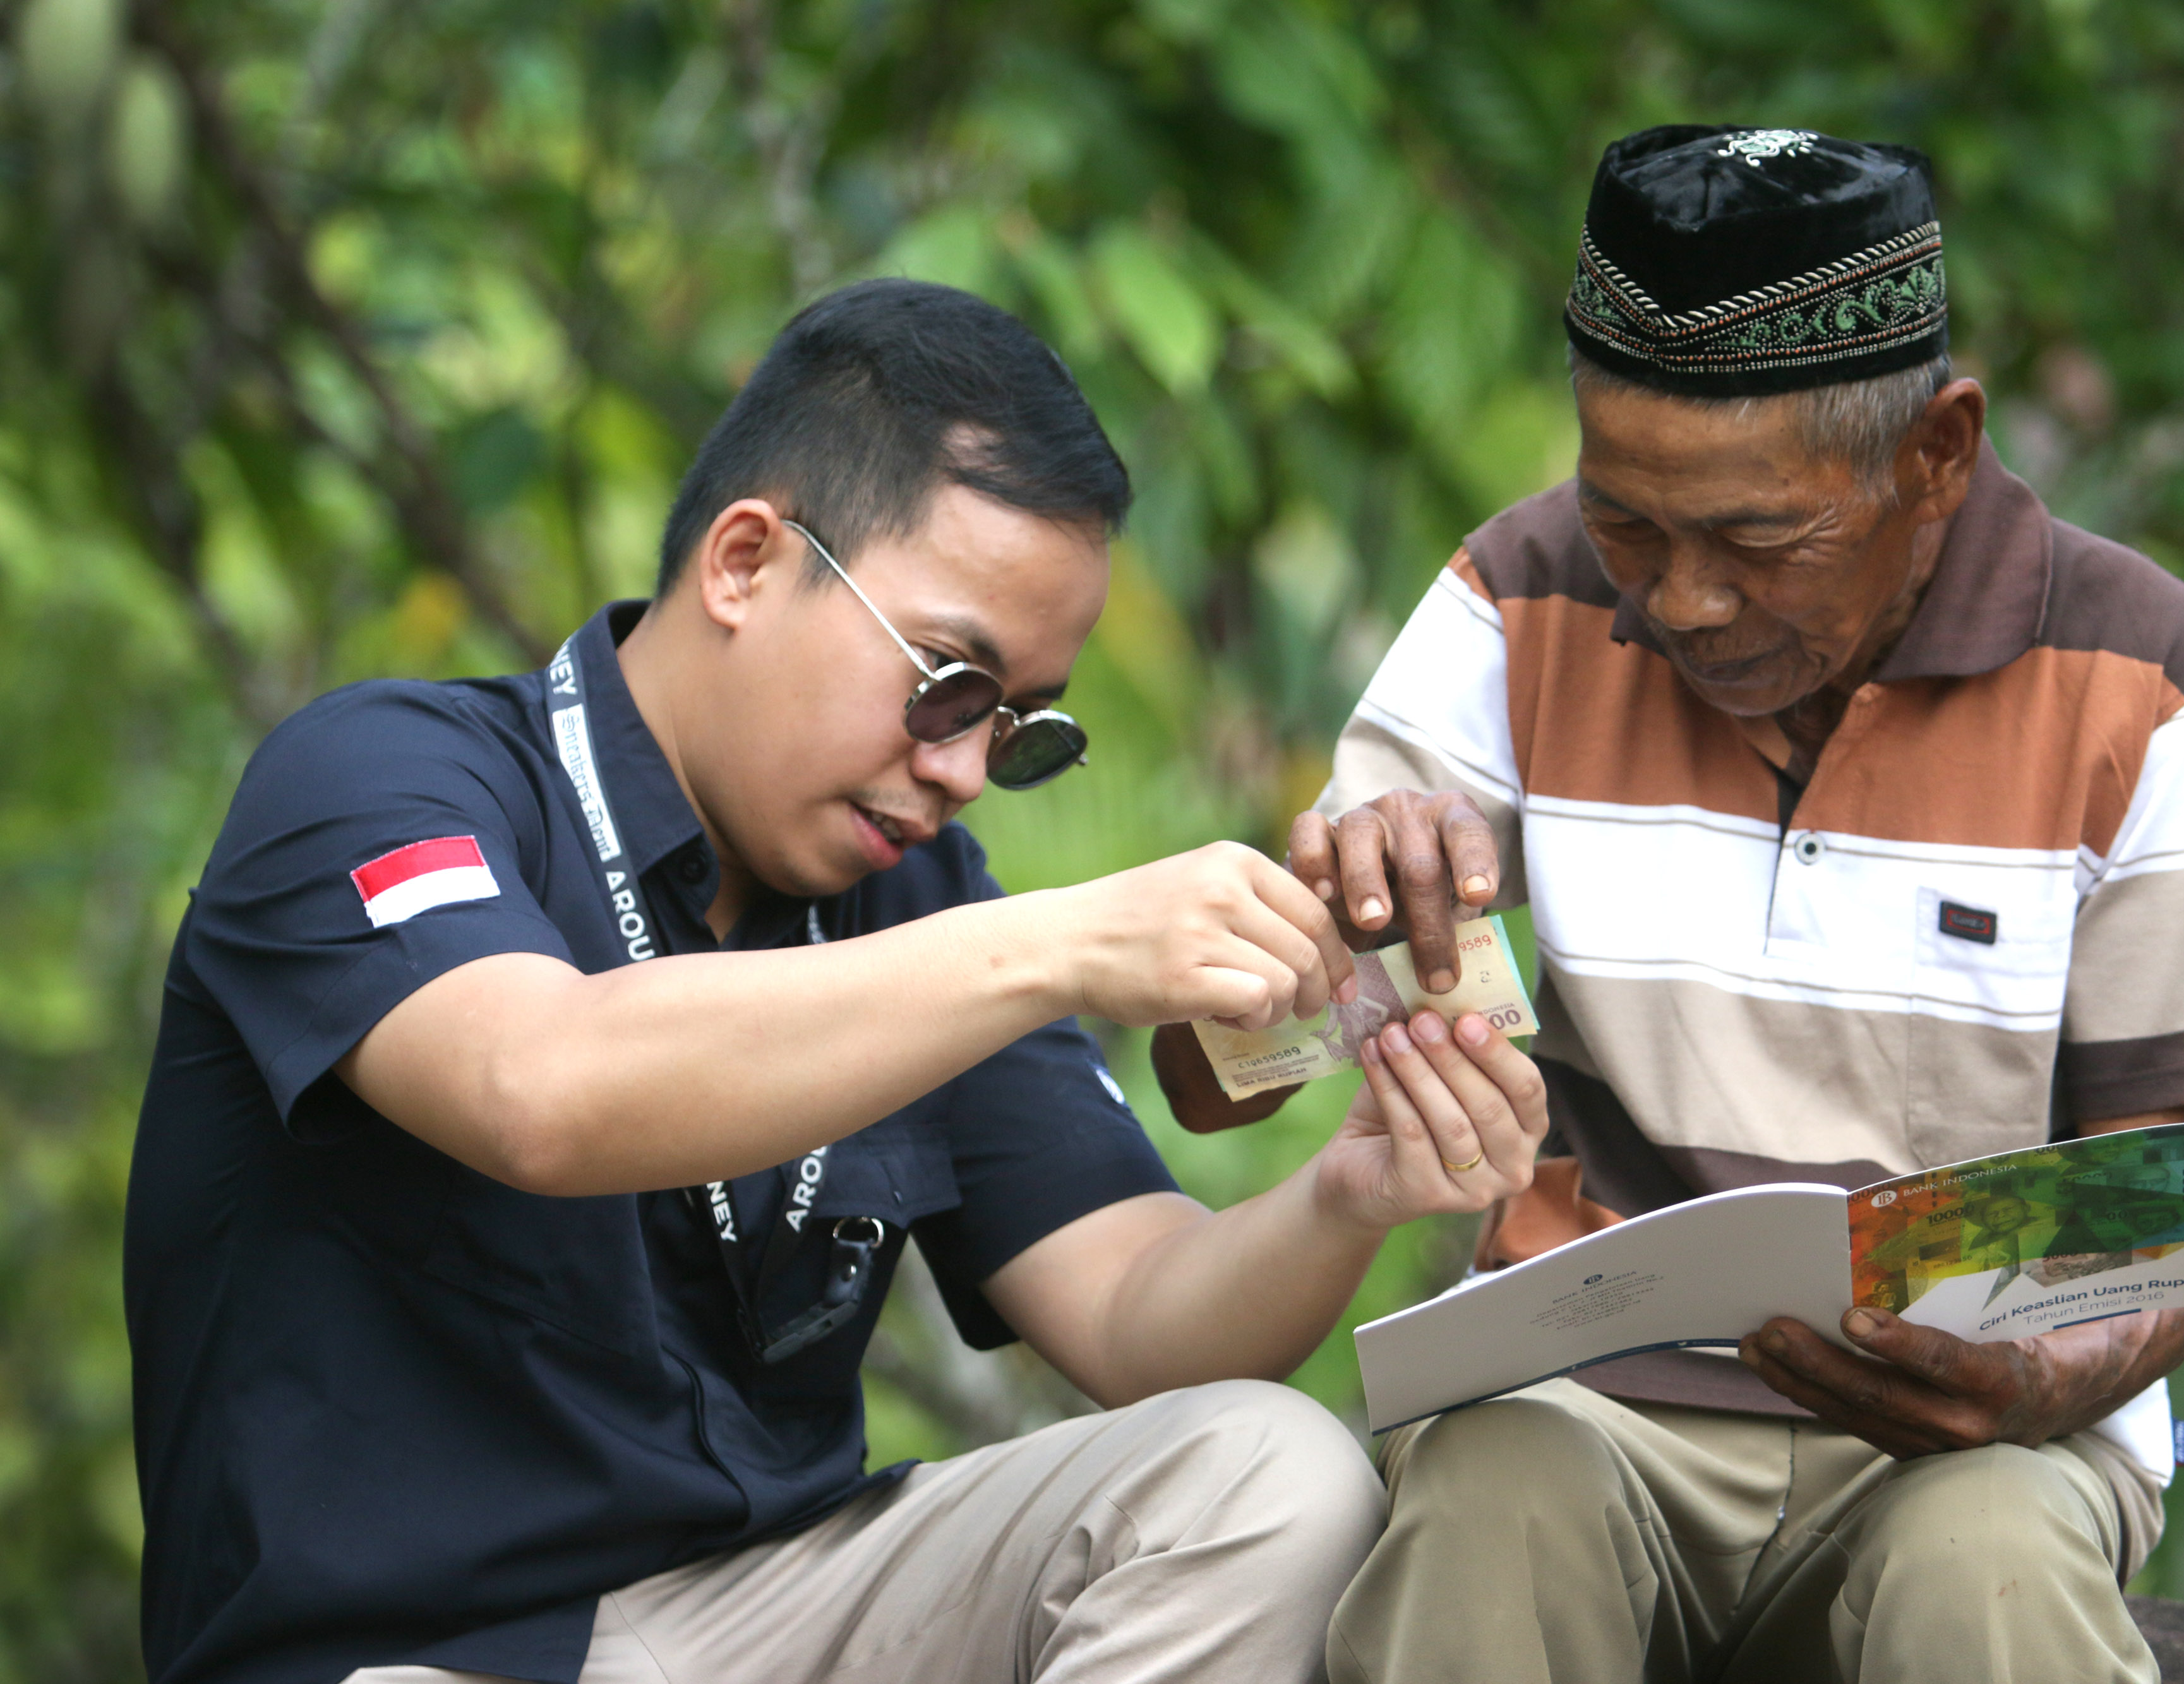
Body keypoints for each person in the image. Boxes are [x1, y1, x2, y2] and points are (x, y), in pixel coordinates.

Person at [124, 278, 1549, 1684]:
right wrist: (1057, 942)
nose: (964, 769)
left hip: (782, 1614)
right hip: (414, 1654)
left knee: (1266, 1474)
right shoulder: (379, 777)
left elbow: (1139, 1319)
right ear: (744, 564)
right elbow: (536, 1085)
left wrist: (1349, 1192)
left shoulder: (914, 904)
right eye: (950, 683)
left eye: (1019, 730)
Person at [1156, 126, 2184, 1683]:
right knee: (1489, 1493)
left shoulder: (2149, 674)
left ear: (1934, 454)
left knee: (1982, 1563)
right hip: (1586, 1394)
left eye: (1755, 538)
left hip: (1970, 1430)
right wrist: (1337, 926)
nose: (1678, 601)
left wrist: (2042, 1377)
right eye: (1627, 523)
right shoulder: (1521, 595)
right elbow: (1213, 1081)